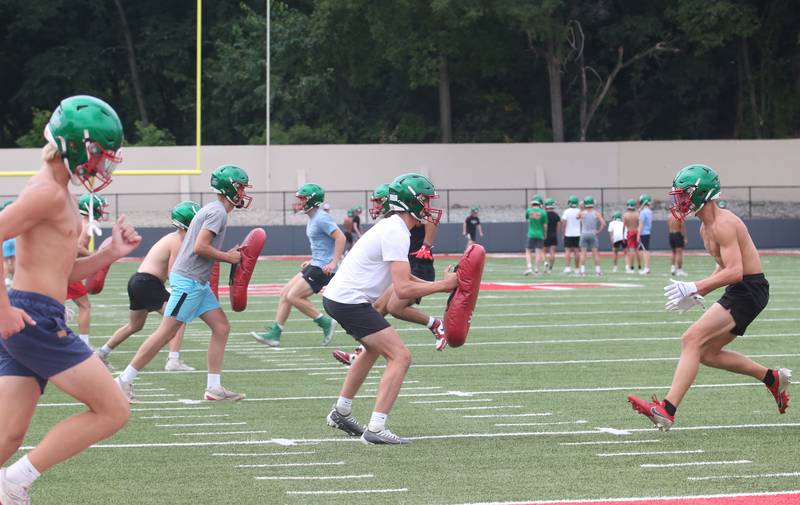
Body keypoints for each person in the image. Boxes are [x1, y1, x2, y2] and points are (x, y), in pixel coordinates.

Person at [0, 95, 137, 504]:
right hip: (33, 318)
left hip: (34, 313)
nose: (102, 165)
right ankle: (13, 483)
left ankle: (10, 481)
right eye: (100, 155)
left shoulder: (59, 191)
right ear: (79, 145)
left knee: (7, 435)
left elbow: (59, 276)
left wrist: (108, 254)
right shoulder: (47, 192)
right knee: (114, 409)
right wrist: (2, 308)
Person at [627, 164, 790, 432]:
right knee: (707, 353)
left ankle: (667, 410)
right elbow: (724, 266)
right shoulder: (706, 228)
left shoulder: (724, 224)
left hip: (749, 290)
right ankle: (771, 378)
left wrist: (695, 286)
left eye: (684, 194)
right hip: (743, 290)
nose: (679, 201)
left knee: (690, 339)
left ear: (702, 192)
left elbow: (736, 271)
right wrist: (700, 290)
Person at [323, 173, 456, 445]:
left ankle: (341, 412)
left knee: (373, 349)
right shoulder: (396, 231)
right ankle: (376, 428)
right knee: (400, 356)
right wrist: (443, 286)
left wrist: (441, 284)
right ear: (411, 201)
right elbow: (403, 289)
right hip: (349, 300)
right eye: (425, 200)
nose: (429, 207)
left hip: (343, 298)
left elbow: (403, 279)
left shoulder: (394, 227)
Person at [115, 164, 251, 403]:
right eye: (239, 187)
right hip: (189, 281)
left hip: (197, 282)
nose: (242, 192)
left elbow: (203, 246)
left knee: (221, 327)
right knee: (166, 332)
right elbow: (200, 247)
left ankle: (214, 388)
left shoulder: (215, 210)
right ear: (228, 187)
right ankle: (123, 381)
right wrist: (228, 257)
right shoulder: (217, 212)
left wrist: (226, 253)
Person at [331, 183, 448, 366]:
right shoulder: (392, 225)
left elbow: (430, 219)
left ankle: (436, 325)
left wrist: (426, 245)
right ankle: (360, 354)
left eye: (379, 202)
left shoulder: (404, 220)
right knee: (377, 308)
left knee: (394, 307)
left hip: (416, 264)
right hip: (402, 266)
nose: (376, 207)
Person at [96, 201, 201, 372]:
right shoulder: (179, 240)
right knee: (178, 318)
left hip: (138, 281)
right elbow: (175, 271)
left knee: (135, 326)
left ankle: (102, 352)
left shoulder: (174, 238)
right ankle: (173, 360)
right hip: (148, 283)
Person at [252, 183, 343, 347]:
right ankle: (275, 334)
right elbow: (322, 244)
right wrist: (312, 259)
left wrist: (334, 262)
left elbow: (340, 237)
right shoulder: (313, 218)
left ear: (312, 200)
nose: (299, 202)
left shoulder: (322, 218)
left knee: (293, 296)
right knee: (285, 293)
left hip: (323, 268)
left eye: (302, 199)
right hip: (316, 263)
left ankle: (325, 323)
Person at [66, 193, 109, 348]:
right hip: (67, 269)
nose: (102, 209)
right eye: (100, 206)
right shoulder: (87, 225)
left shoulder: (81, 222)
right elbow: (77, 247)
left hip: (63, 267)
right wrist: (96, 256)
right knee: (85, 305)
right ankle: (84, 343)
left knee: (53, 304)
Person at [577, 196, 606, 276]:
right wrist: (598, 231)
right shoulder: (596, 213)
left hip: (584, 234)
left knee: (583, 253)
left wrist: (580, 208)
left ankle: (582, 271)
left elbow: (577, 217)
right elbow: (603, 223)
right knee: (595, 253)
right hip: (593, 234)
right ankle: (598, 271)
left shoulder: (582, 212)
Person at [524, 197, 547, 275]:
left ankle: (529, 267)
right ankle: (537, 269)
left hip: (531, 233)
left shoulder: (529, 210)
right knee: (538, 252)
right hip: (540, 234)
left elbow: (527, 218)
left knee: (528, 251)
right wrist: (545, 234)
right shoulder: (543, 212)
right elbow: (545, 225)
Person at [561, 195, 581, 273]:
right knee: (577, 251)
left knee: (567, 251)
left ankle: (568, 268)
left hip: (568, 234)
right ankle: (577, 268)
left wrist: (563, 233)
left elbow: (563, 223)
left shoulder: (566, 211)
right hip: (577, 234)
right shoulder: (579, 211)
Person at [667, 211, 688, 276]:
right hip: (677, 234)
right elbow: (682, 227)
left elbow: (668, 226)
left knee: (673, 252)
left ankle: (672, 268)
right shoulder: (679, 215)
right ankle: (679, 270)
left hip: (671, 234)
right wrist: (685, 237)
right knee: (679, 253)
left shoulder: (669, 216)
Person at [623, 199, 640, 274]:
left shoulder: (626, 215)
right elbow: (639, 224)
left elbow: (624, 226)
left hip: (630, 232)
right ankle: (640, 267)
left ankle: (632, 267)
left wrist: (623, 235)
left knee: (632, 250)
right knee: (638, 250)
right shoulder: (637, 214)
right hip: (636, 231)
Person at [543, 198, 560, 273]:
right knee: (552, 252)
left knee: (542, 251)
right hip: (553, 235)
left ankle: (545, 262)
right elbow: (558, 227)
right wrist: (556, 234)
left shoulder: (544, 214)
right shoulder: (556, 215)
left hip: (545, 235)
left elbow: (543, 225)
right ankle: (550, 268)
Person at [1, 200, 15, 289]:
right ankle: (14, 278)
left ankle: (6, 279)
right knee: (14, 260)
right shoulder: (16, 216)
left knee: (5, 261)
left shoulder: (3, 215)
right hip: (14, 239)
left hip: (6, 240)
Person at [638, 193, 653, 275]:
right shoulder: (649, 211)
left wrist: (638, 235)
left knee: (645, 251)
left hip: (643, 233)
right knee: (645, 250)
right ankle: (646, 268)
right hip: (647, 232)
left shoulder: (643, 212)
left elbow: (641, 224)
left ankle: (647, 268)